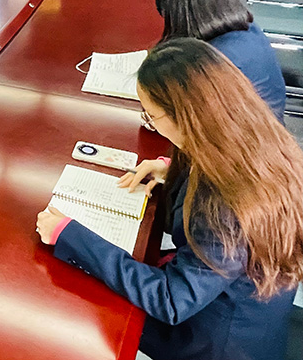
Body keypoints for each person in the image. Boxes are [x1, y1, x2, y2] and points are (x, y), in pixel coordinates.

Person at [37, 39, 303, 360]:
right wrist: (171, 168)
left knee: (81, 307)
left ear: (186, 116)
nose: (150, 124)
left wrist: (69, 234)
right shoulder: (252, 134)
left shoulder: (223, 206)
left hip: (215, 338)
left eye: (151, 116)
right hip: (238, 299)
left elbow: (171, 301)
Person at [155, 0, 285, 120]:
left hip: (239, 133)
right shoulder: (246, 27)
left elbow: (182, 117)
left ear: (188, 15)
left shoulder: (216, 59)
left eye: (170, 15)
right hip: (265, 127)